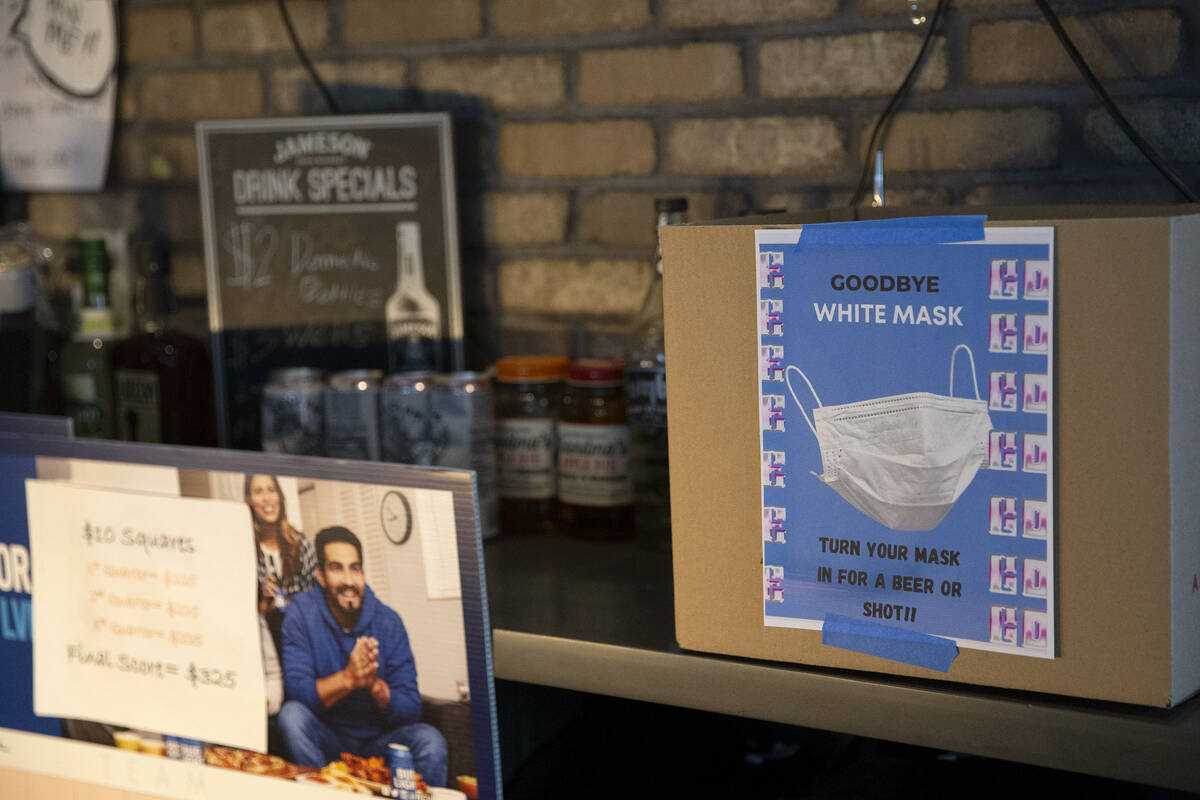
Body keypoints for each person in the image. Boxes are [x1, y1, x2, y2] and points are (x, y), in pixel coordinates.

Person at [278, 526, 447, 786]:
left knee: (430, 740)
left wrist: (377, 688)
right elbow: (298, 692)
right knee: (291, 717)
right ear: (321, 576)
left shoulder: (389, 621)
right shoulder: (300, 614)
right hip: (325, 739)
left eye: (355, 568)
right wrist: (348, 679)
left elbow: (411, 709)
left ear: (363, 573)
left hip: (378, 745)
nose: (349, 580)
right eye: (337, 568)